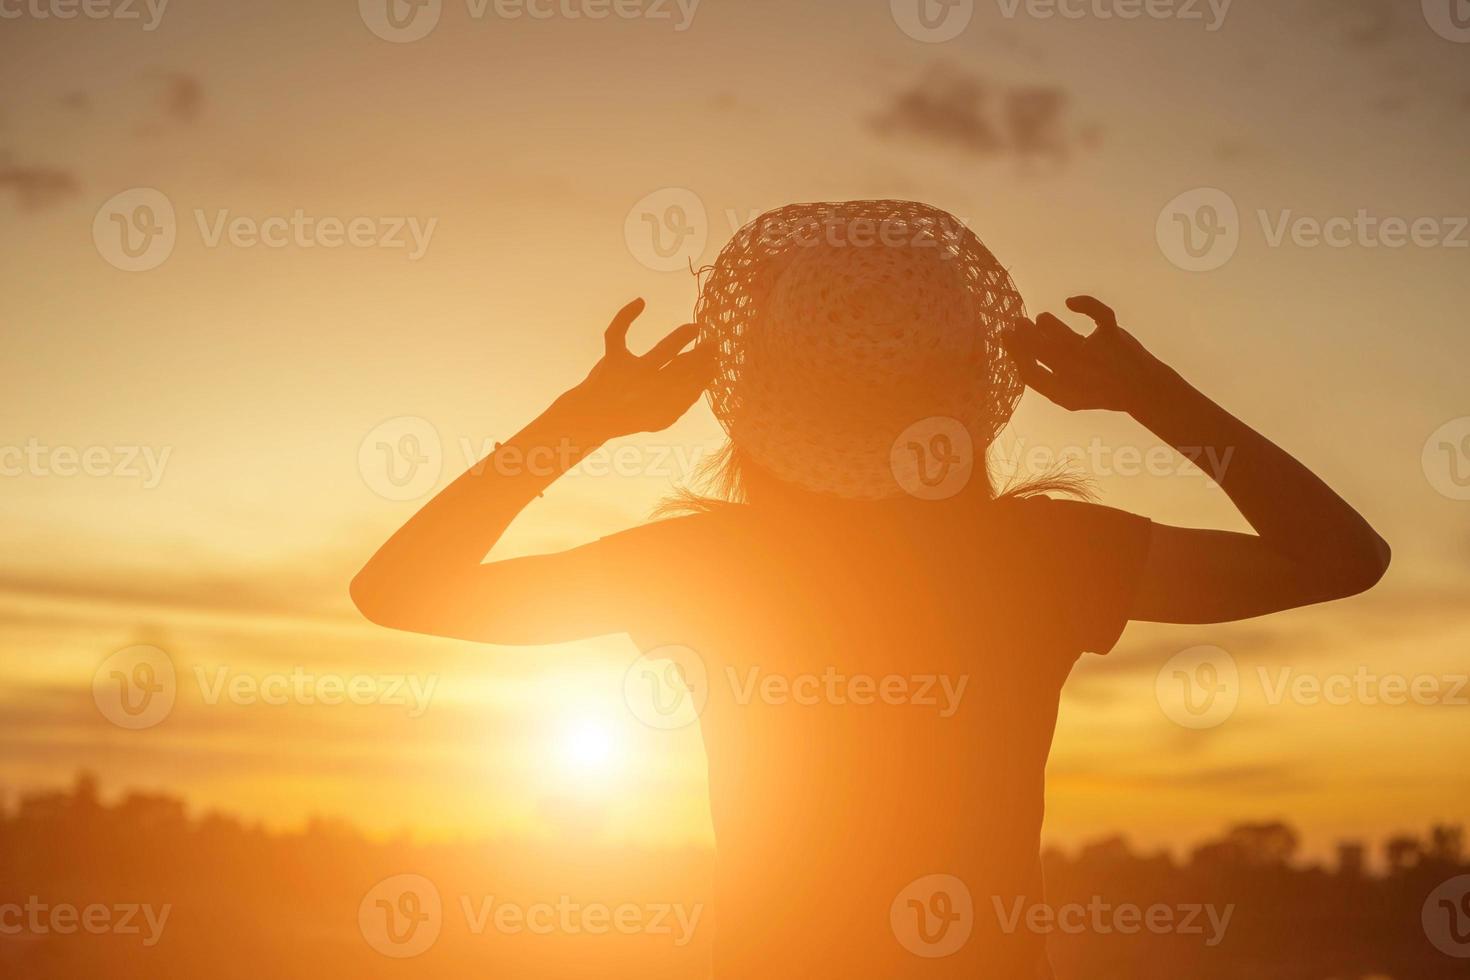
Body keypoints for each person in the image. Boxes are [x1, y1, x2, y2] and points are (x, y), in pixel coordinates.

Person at [350, 201, 1389, 978]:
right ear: (964, 386)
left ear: (758, 395)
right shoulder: (1043, 556)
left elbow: (400, 590)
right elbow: (1340, 556)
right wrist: (1150, 393)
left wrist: (584, 417)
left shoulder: (708, 566)